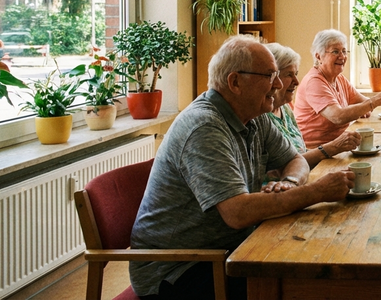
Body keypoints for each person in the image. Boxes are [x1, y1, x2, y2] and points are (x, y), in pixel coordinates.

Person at [130, 35, 355, 300]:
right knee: (308, 285)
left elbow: (293, 160)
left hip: (229, 248)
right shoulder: (204, 127)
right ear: (235, 82)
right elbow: (237, 213)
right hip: (180, 269)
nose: (280, 84)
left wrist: (290, 183)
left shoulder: (255, 114)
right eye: (270, 76)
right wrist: (316, 192)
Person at [264, 43, 360, 168]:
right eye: (289, 75)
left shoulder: (284, 108)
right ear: (272, 78)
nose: (296, 82)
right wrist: (332, 147)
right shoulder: (261, 116)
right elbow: (284, 165)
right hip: (286, 182)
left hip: (303, 172)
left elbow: (299, 154)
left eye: (296, 74)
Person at [294, 29, 381, 148]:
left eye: (344, 51)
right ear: (319, 56)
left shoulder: (339, 79)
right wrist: (372, 103)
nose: (342, 56)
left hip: (338, 145)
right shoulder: (314, 82)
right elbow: (337, 117)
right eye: (335, 52)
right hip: (316, 152)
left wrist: (364, 108)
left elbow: (363, 103)